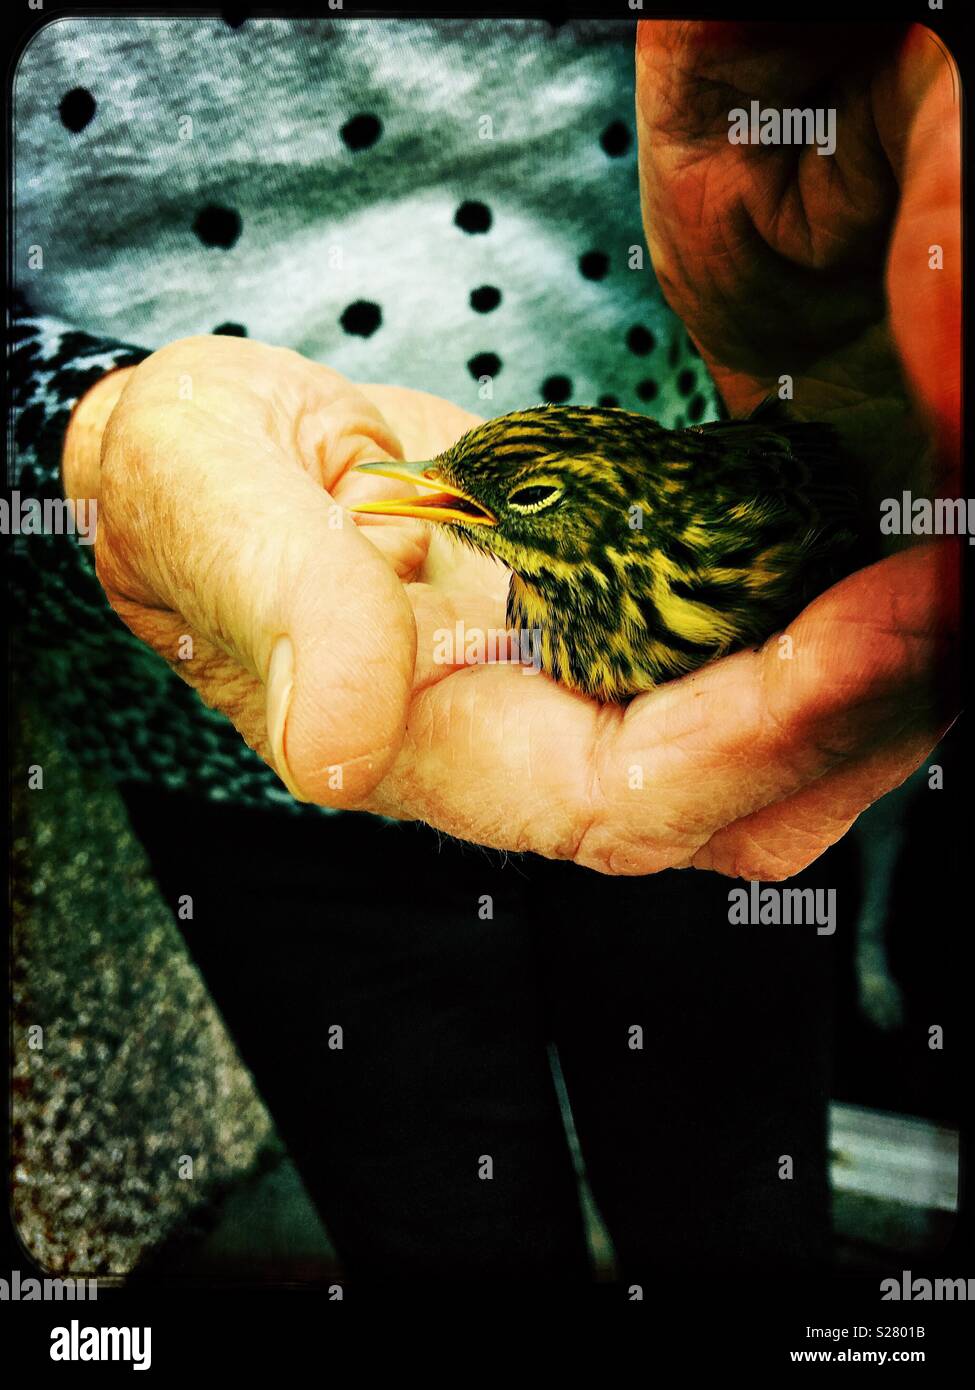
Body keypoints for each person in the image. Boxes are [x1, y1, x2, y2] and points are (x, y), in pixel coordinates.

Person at [9, 17, 960, 1285]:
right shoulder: (530, 558)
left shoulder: (728, 540)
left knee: (734, 1199)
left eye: (500, 503)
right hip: (218, 742)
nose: (426, 497)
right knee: (438, 1229)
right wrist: (85, 440)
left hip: (706, 566)